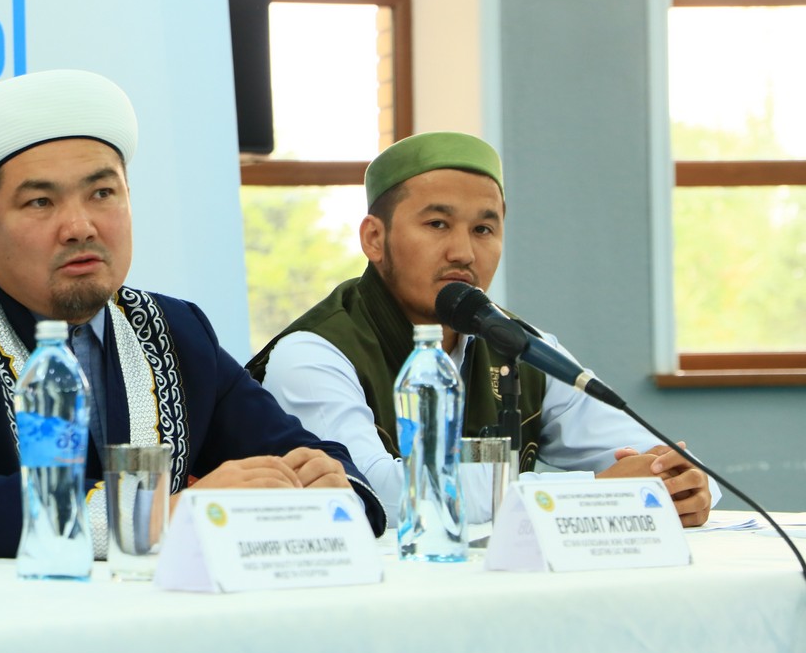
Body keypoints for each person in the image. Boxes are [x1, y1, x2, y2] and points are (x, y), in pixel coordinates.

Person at [0, 69, 384, 557]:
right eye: (41, 202)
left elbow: (299, 451)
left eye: (102, 193)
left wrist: (326, 485)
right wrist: (158, 517)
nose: (80, 227)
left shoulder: (175, 330)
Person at [253, 131, 714, 528]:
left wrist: (682, 482)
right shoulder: (314, 353)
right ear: (375, 238)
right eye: (437, 224)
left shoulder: (519, 346)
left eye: (483, 230)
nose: (463, 252)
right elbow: (374, 495)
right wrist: (595, 492)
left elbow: (654, 457)